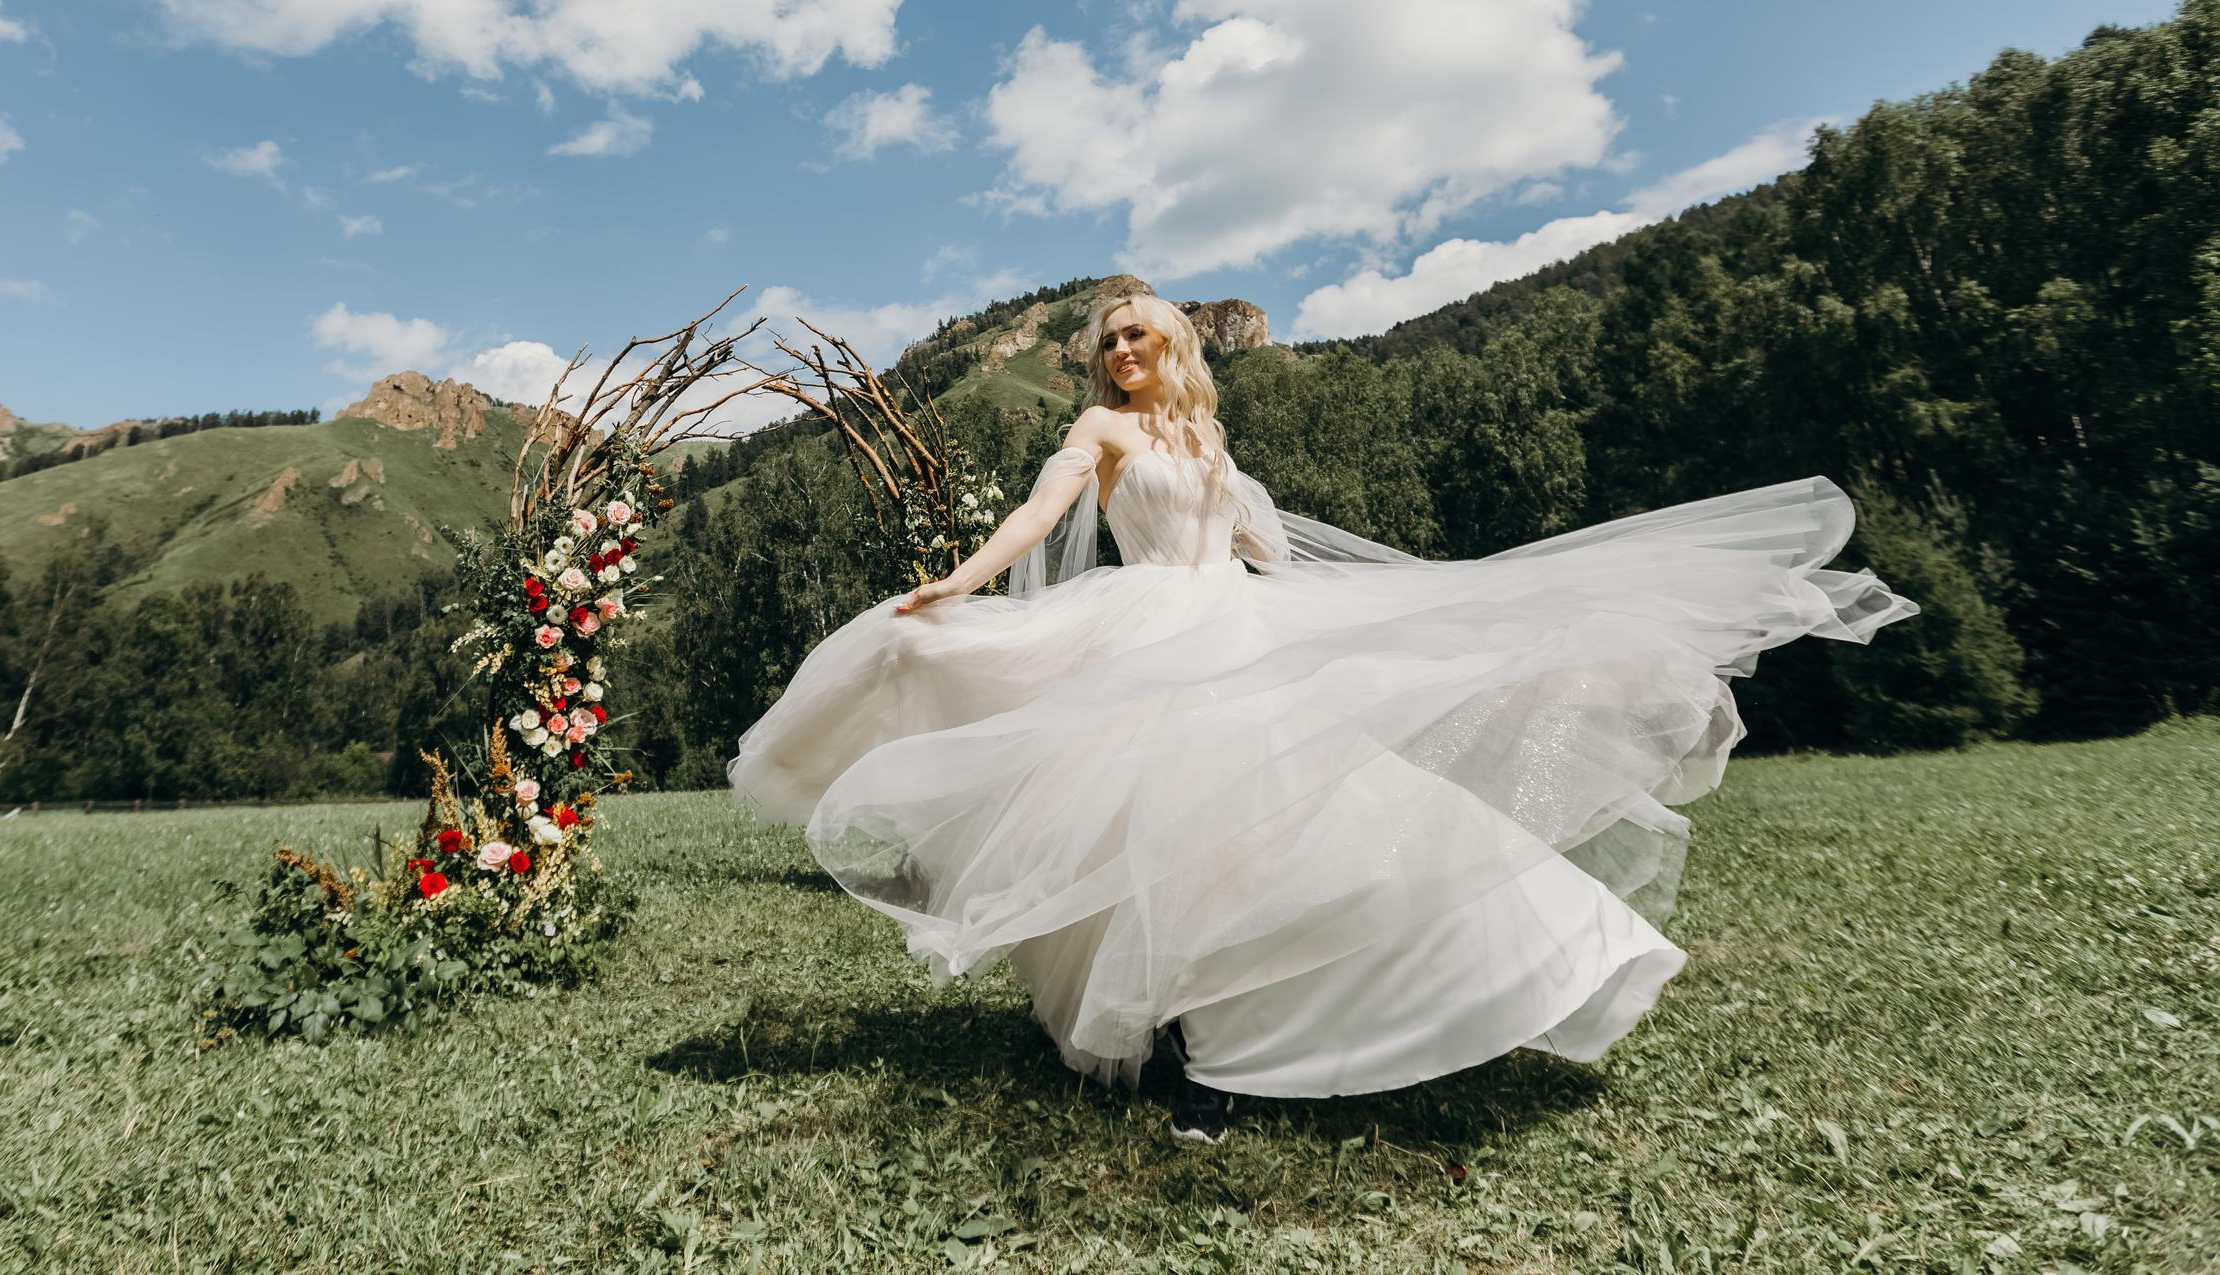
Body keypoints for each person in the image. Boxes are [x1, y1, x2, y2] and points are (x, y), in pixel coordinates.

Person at [727, 289, 1919, 1145]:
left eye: (1140, 332)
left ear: (1176, 344)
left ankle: (1312, 1024)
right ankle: (1194, 1048)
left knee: (1282, 826)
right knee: (1160, 830)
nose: (1123, 350)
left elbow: (1271, 547)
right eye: (1108, 341)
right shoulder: (1094, 435)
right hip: (1141, 632)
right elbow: (1038, 523)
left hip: (1238, 625)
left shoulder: (1208, 437)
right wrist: (956, 586)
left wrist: (1355, 623)